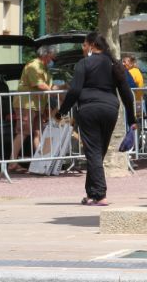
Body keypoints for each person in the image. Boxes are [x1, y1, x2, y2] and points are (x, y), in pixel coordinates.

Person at [55, 32, 135, 206]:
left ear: (91, 45)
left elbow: (75, 91)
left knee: (93, 153)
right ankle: (92, 193)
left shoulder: (84, 63)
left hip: (89, 109)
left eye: (84, 45)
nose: (83, 48)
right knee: (97, 153)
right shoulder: (115, 64)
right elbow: (126, 93)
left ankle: (100, 194)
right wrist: (132, 118)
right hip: (110, 110)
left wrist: (61, 112)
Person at [9, 46, 57, 171]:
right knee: (24, 131)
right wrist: (53, 91)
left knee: (38, 132)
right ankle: (12, 162)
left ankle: (42, 161)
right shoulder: (33, 66)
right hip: (26, 104)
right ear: (46, 55)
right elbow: (40, 84)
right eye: (53, 56)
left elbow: (48, 84)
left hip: (38, 105)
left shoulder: (45, 68)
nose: (54, 59)